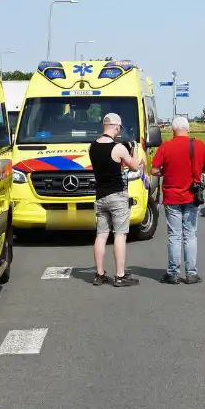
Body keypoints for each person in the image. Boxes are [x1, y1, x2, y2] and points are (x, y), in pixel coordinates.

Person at [150, 116, 205, 284]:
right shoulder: (198, 145)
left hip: (172, 197)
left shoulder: (166, 147)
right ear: (188, 129)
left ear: (172, 130)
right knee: (190, 235)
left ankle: (172, 273)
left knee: (174, 236)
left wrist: (167, 171)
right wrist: (194, 169)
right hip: (192, 196)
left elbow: (154, 170)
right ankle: (191, 273)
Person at [89, 113, 142, 287]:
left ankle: (99, 273)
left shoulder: (92, 147)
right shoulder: (118, 148)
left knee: (101, 235)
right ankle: (119, 275)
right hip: (117, 196)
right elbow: (134, 165)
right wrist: (135, 153)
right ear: (116, 127)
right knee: (120, 234)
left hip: (100, 196)